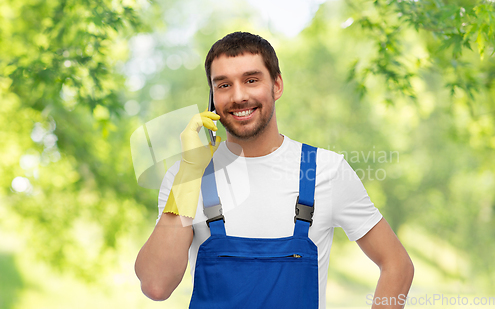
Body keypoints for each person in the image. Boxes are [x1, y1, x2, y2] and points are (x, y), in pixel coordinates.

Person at [135, 31, 414, 309]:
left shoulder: (326, 170)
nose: (238, 96)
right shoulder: (187, 175)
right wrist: (188, 174)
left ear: (277, 85)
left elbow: (397, 264)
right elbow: (156, 285)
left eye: (251, 80)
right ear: (212, 98)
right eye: (223, 85)